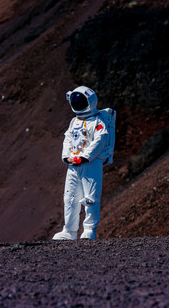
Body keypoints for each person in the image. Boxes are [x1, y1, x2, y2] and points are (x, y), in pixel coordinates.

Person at [53, 86, 110, 240]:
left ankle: (89, 229)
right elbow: (68, 139)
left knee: (90, 198)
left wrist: (84, 157)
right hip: (73, 164)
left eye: (80, 101)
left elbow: (101, 139)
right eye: (75, 100)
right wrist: (67, 157)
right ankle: (69, 231)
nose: (77, 103)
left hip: (90, 163)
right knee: (70, 197)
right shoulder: (74, 121)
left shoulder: (97, 121)